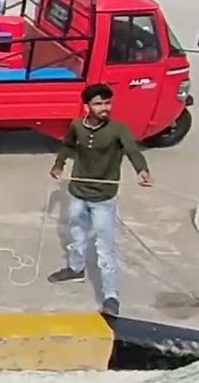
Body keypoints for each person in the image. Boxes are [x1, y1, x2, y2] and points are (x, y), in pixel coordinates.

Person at [47, 83, 152, 318]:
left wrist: (142, 170)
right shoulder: (77, 126)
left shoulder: (118, 129)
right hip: (78, 192)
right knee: (77, 234)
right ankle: (75, 268)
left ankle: (110, 296)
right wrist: (58, 164)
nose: (104, 108)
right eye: (98, 104)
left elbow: (133, 150)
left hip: (104, 198)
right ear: (87, 107)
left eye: (107, 103)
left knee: (105, 247)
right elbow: (67, 146)